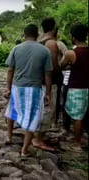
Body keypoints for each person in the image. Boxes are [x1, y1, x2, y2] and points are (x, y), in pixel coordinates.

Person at [5, 24, 53, 156]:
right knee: (32, 118)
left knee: (12, 110)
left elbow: (10, 70)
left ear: (24, 35)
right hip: (34, 89)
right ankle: (24, 150)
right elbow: (48, 74)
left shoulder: (16, 48)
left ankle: (9, 136)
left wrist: (8, 88)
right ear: (37, 35)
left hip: (17, 87)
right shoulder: (44, 51)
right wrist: (48, 93)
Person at [33, 18, 60, 151]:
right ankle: (39, 140)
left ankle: (34, 135)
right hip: (49, 82)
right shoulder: (51, 44)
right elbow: (53, 66)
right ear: (54, 28)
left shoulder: (38, 42)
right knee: (47, 110)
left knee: (39, 109)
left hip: (38, 81)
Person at [61, 24, 88, 152]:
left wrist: (70, 66)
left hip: (77, 87)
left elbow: (61, 65)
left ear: (73, 38)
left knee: (77, 116)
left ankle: (77, 144)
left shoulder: (71, 53)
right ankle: (81, 138)